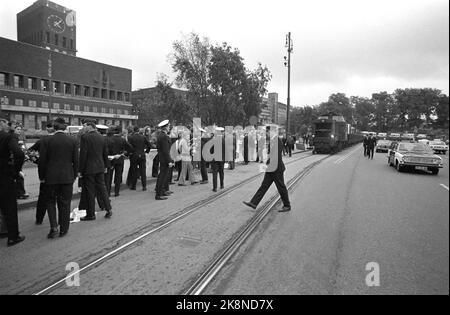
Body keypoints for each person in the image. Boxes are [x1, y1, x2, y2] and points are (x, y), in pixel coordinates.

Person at [38, 118, 78, 239]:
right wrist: (74, 175)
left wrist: (42, 176)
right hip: (67, 176)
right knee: (65, 202)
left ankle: (54, 227)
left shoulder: (46, 141)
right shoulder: (72, 140)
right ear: (65, 128)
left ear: (54, 128)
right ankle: (64, 229)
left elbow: (42, 161)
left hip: (51, 176)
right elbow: (76, 161)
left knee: (50, 202)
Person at [243, 128, 291, 213]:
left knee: (281, 187)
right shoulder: (273, 141)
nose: (267, 134)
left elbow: (276, 156)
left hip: (276, 169)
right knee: (264, 186)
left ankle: (287, 205)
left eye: (267, 132)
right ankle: (253, 202)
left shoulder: (277, 141)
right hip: (271, 168)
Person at [0, 116, 25, 247]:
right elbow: (19, 154)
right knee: (9, 207)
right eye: (5, 123)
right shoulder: (6, 137)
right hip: (4, 175)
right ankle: (13, 236)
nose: (7, 126)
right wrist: (16, 170)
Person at [79, 121, 112, 220]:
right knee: (102, 188)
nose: (83, 128)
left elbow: (83, 154)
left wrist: (80, 170)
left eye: (84, 126)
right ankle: (108, 209)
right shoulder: (101, 137)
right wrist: (106, 165)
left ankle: (91, 214)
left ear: (90, 127)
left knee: (90, 191)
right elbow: (104, 153)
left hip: (89, 168)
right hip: (100, 166)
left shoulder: (85, 137)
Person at [28, 121, 55, 225]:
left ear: (47, 129)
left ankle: (39, 218)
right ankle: (59, 221)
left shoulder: (42, 141)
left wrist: (37, 161)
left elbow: (29, 152)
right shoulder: (63, 140)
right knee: (58, 198)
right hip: (60, 174)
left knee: (43, 197)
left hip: (46, 173)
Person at [106, 126, 131, 197]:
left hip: (111, 160)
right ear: (120, 132)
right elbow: (130, 148)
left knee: (109, 177)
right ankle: (116, 192)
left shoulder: (109, 139)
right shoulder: (122, 140)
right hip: (119, 159)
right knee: (118, 176)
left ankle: (108, 193)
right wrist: (124, 154)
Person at [155, 120, 174, 200]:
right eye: (169, 126)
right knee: (162, 177)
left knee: (163, 176)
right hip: (164, 159)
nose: (169, 127)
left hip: (163, 159)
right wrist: (169, 161)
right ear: (165, 127)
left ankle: (163, 191)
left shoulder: (162, 135)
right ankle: (158, 194)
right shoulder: (164, 136)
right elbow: (166, 151)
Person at [128, 126, 151, 191]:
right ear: (138, 130)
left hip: (134, 155)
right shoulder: (143, 137)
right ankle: (144, 186)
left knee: (134, 171)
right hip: (142, 154)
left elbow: (129, 147)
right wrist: (146, 151)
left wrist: (130, 153)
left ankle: (134, 186)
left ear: (133, 130)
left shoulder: (131, 137)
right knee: (143, 171)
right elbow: (149, 145)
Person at [211, 127, 225, 193]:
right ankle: (222, 185)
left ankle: (215, 187)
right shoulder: (223, 139)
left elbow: (211, 150)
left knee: (215, 173)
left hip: (215, 159)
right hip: (221, 159)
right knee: (221, 172)